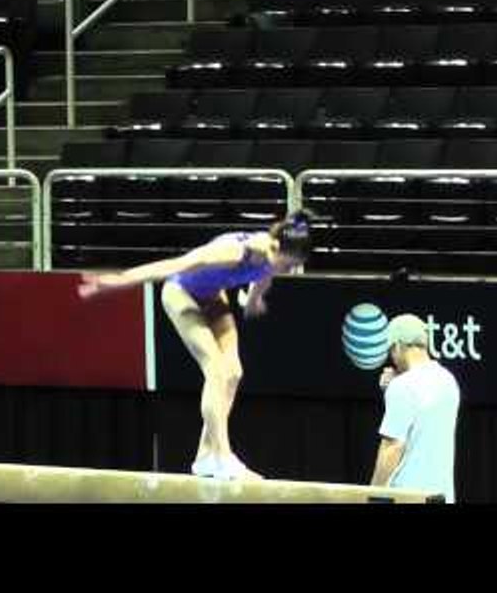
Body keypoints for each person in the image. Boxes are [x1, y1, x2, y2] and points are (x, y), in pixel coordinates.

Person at [78, 211, 312, 481]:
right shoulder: (233, 252)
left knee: (233, 372)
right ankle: (223, 457)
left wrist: (253, 302)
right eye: (288, 264)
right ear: (276, 247)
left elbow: (262, 281)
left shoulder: (273, 258)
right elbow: (174, 265)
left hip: (212, 296)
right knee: (217, 371)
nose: (287, 270)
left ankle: (205, 458)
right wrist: (121, 280)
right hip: (180, 293)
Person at [370, 313, 461, 503]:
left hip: (406, 496)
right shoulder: (448, 381)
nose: (392, 359)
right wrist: (395, 385)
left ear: (397, 347)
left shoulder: (402, 387)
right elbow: (423, 410)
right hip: (441, 496)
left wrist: (372, 494)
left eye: (391, 352)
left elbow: (392, 447)